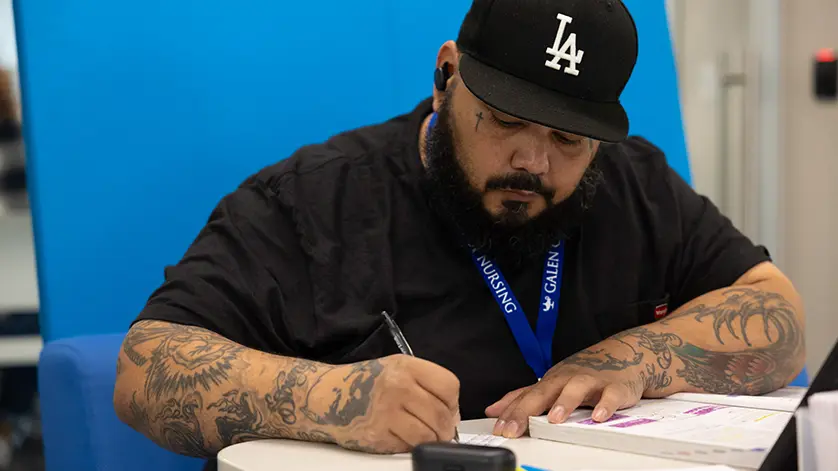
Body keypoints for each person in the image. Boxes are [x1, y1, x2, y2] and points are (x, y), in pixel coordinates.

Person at [113, 0, 806, 469]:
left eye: (568, 138)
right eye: (505, 119)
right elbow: (144, 368)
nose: (533, 162)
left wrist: (637, 358)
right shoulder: (316, 200)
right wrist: (335, 399)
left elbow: (775, 310)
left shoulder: (633, 184)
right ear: (447, 77)